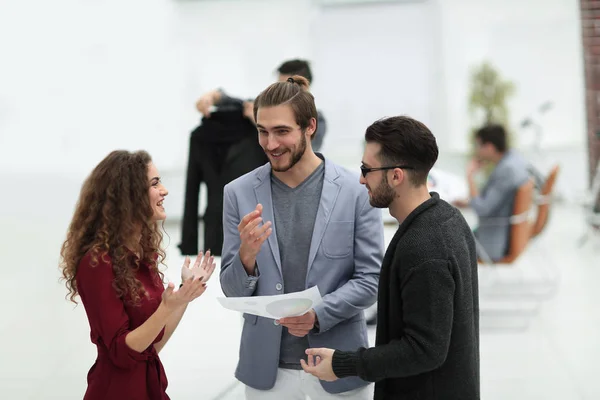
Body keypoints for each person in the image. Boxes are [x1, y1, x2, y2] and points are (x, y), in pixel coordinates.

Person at [219, 76, 384, 399]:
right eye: (262, 131)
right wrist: (246, 258)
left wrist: (318, 316)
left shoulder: (355, 191)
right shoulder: (237, 193)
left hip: (338, 366)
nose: (270, 144)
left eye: (281, 131)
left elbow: (371, 279)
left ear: (310, 127)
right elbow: (232, 289)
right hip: (266, 372)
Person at [301, 116, 480, 400]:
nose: (361, 179)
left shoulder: (423, 247)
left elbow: (425, 349)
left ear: (396, 175)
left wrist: (343, 364)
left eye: (366, 169)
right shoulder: (448, 218)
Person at [59, 150, 216, 400]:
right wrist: (167, 306)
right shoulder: (97, 263)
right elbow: (122, 353)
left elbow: (151, 347)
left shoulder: (142, 257)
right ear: (128, 196)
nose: (164, 190)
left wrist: (185, 294)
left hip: (148, 388)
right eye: (155, 183)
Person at [196, 59, 328, 151]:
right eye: (278, 85)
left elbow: (306, 149)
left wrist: (259, 122)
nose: (281, 91)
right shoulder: (267, 108)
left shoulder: (318, 120)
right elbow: (238, 102)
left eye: (287, 86)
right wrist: (212, 97)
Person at [453, 124, 530, 261]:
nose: (476, 151)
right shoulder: (514, 159)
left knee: (441, 242)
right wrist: (471, 201)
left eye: (478, 146)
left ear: (489, 147)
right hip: (502, 232)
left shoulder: (506, 170)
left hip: (492, 243)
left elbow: (482, 210)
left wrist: (470, 176)